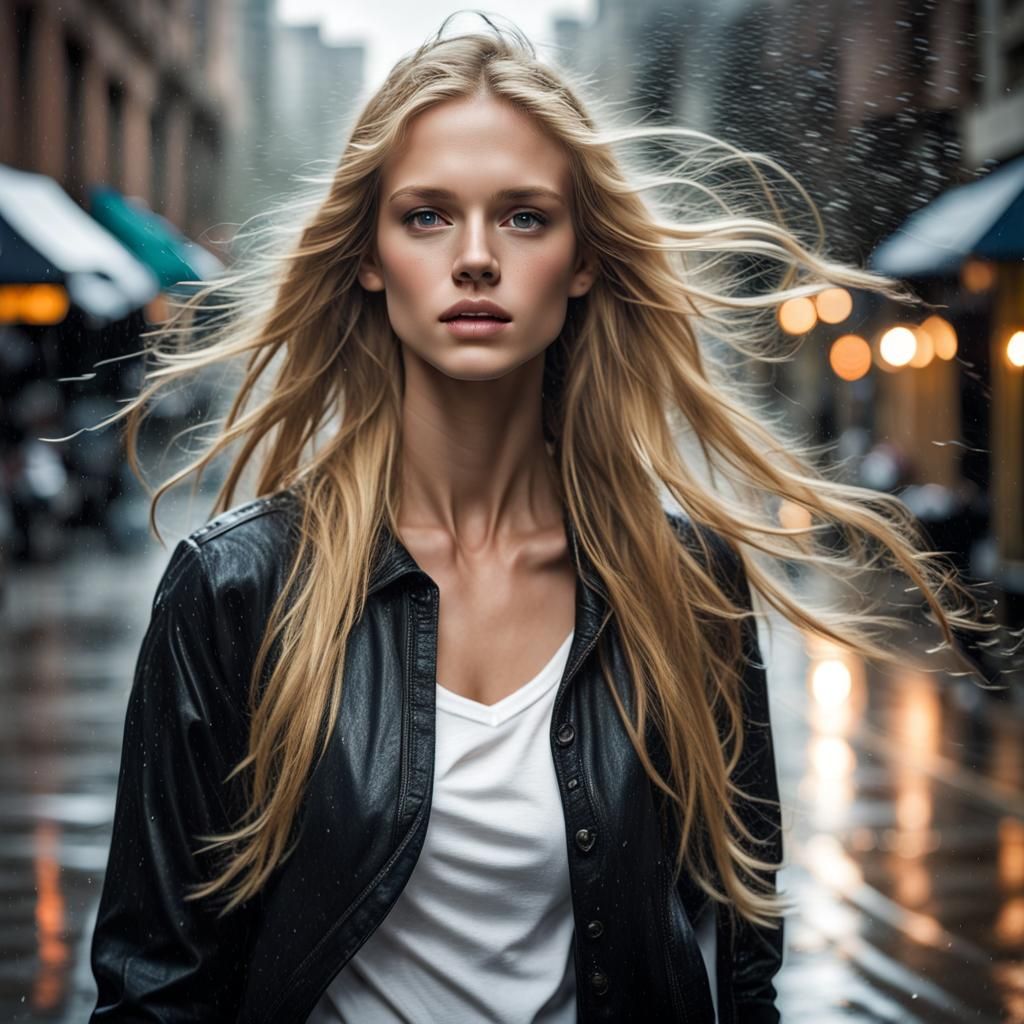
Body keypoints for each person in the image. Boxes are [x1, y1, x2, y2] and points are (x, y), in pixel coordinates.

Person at [87, 14, 1003, 1024]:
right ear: (367, 256)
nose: (475, 257)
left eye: (523, 217)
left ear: (580, 260)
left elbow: (741, 964)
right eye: (427, 216)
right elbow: (153, 991)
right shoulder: (235, 590)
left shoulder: (685, 584)